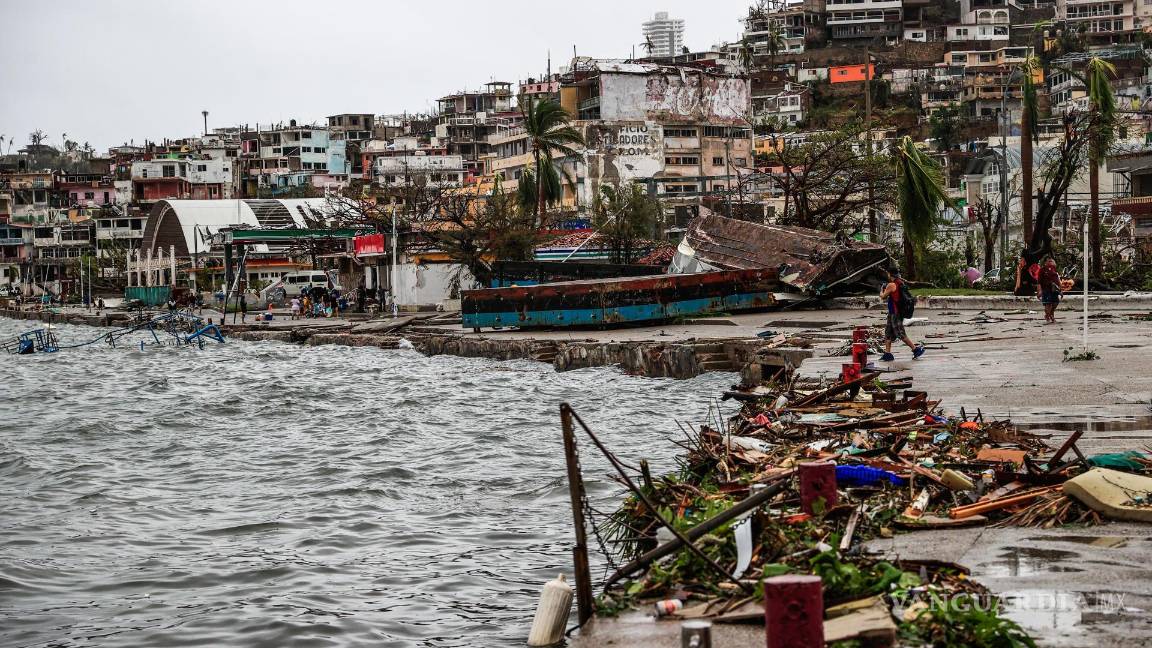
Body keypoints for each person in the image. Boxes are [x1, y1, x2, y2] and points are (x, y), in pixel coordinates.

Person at [879, 268, 925, 362]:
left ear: (889, 274)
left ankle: (915, 349)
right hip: (893, 312)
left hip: (895, 313)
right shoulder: (900, 282)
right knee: (888, 333)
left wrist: (881, 289)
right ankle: (887, 354)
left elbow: (883, 296)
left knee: (900, 333)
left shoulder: (891, 284)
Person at [1038, 256, 1062, 324]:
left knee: (1055, 303)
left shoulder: (1054, 269)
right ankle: (1050, 316)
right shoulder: (1042, 270)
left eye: (1051, 261)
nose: (1050, 262)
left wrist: (1060, 289)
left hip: (1055, 289)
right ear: (1045, 262)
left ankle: (1049, 314)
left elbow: (1058, 279)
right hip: (1046, 289)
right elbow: (1039, 282)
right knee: (1048, 304)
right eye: (1049, 261)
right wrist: (1039, 291)